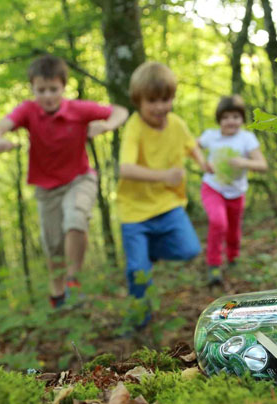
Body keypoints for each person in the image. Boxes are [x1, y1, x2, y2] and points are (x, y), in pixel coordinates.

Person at [0, 54, 129, 308]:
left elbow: (120, 111)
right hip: (46, 188)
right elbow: (3, 123)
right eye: (41, 90)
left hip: (79, 179)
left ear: (63, 87)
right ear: (32, 89)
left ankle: (73, 281)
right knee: (53, 244)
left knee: (76, 218)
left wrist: (106, 126)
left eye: (53, 89)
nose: (47, 95)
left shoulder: (78, 109)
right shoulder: (28, 110)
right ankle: (57, 293)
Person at [117, 61, 207, 327]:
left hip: (168, 204)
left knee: (190, 249)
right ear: (138, 100)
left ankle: (151, 249)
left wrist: (203, 163)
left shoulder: (176, 124)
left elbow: (191, 145)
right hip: (134, 211)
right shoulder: (135, 126)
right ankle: (139, 319)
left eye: (165, 99)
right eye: (152, 101)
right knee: (138, 271)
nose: (159, 107)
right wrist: (164, 176)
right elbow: (125, 169)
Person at [198, 95, 268, 286]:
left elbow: (262, 165)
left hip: (236, 192)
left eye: (236, 117)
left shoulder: (246, 138)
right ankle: (213, 264)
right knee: (218, 222)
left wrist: (244, 162)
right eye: (226, 117)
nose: (231, 121)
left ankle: (233, 257)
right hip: (213, 187)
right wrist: (203, 162)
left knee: (233, 230)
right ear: (219, 119)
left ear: (242, 119)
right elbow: (192, 148)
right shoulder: (210, 136)